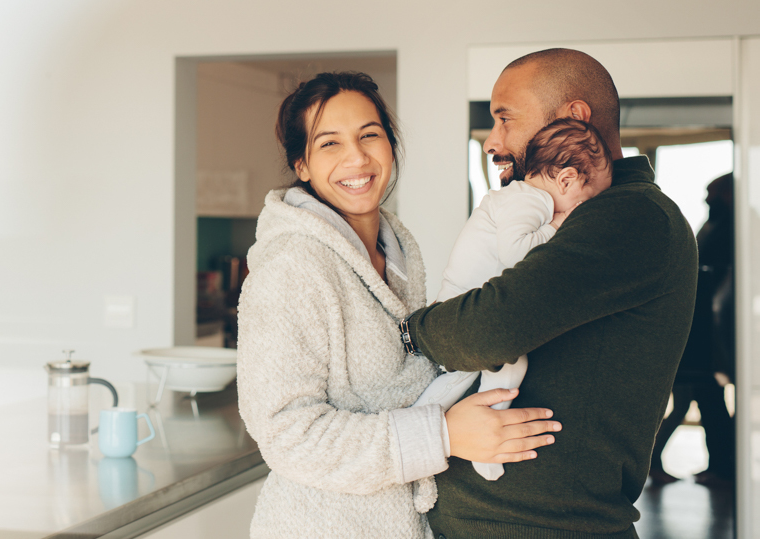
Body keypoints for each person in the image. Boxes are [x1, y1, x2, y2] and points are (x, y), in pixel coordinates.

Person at [236, 72, 559, 539]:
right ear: (301, 164)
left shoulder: (398, 247)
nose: (357, 157)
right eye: (330, 144)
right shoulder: (291, 266)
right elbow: (289, 436)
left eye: (370, 135)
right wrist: (443, 435)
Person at [398, 49, 697, 537]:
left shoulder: (631, 217)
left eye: (505, 118)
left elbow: (485, 331)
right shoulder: (570, 214)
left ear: (574, 117)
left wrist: (413, 327)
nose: (494, 140)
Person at [415, 117, 613, 483]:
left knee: (460, 376)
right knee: (509, 364)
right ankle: (487, 438)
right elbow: (515, 252)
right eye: (585, 202)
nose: (580, 212)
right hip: (465, 304)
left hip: (460, 299)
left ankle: (426, 426)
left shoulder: (521, 198)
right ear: (566, 179)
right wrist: (557, 227)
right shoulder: (532, 201)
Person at [650, 173, 736, 485]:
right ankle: (720, 466)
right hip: (697, 331)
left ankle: (722, 466)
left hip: (710, 331)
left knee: (697, 397)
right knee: (695, 397)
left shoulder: (730, 229)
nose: (706, 199)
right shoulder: (716, 227)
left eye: (712, 193)